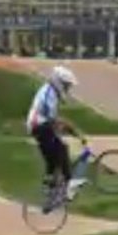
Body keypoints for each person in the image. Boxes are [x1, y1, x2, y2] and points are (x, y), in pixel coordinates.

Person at [27, 66, 85, 209]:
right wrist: (74, 132)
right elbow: (54, 121)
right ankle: (69, 182)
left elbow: (55, 121)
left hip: (40, 127)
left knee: (53, 159)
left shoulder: (50, 92)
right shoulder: (49, 93)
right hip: (39, 126)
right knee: (61, 148)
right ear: (60, 82)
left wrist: (71, 131)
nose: (67, 89)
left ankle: (50, 194)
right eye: (66, 85)